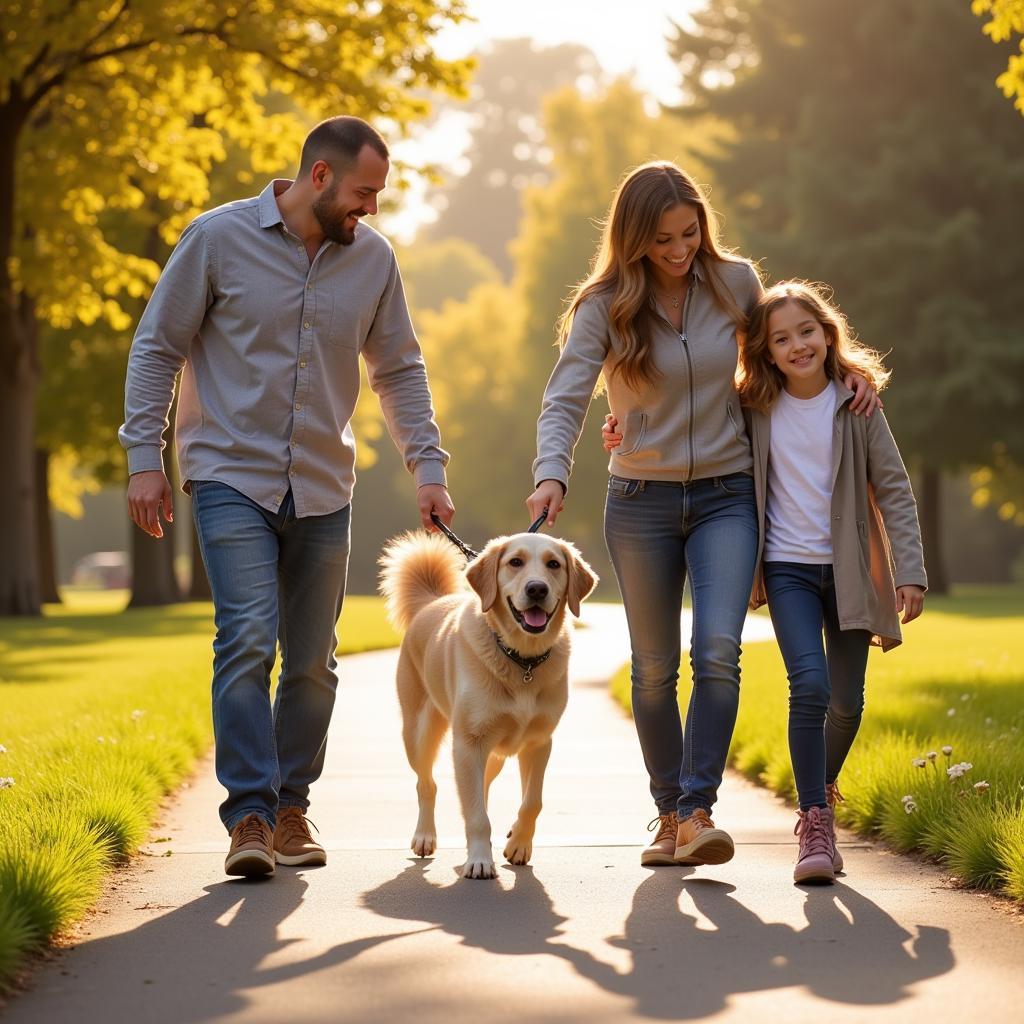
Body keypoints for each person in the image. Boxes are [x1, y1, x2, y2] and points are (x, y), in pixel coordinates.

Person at [119, 116, 455, 879]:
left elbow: (398, 368)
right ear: (320, 178)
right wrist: (146, 457)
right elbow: (158, 347)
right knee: (245, 638)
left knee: (312, 661)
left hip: (322, 484)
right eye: (364, 192)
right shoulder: (216, 239)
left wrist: (427, 468)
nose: (370, 209)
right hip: (228, 474)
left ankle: (291, 806)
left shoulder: (373, 262)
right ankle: (249, 818)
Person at [528, 161, 878, 870]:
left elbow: (788, 349)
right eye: (661, 239)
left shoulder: (736, 282)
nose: (679, 249)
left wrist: (844, 369)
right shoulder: (602, 306)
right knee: (654, 669)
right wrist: (551, 474)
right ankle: (668, 813)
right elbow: (567, 394)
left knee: (717, 650)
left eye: (689, 232)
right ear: (633, 240)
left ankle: (697, 810)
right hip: (639, 502)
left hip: (727, 493)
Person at [736, 280, 926, 884]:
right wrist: (623, 429)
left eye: (806, 332)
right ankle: (815, 823)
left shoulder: (858, 405)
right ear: (765, 352)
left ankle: (820, 783)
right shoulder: (752, 409)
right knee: (810, 685)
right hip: (788, 567)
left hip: (848, 570)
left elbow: (893, 487)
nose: (797, 346)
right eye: (781, 338)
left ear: (827, 333)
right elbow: (688, 426)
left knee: (848, 702)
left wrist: (911, 571)